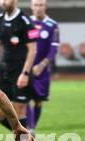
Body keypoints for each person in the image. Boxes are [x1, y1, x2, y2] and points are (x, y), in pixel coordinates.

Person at [0, 0, 38, 141]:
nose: (3, 2)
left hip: (21, 72)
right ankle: (25, 132)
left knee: (19, 110)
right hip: (5, 72)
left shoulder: (25, 21)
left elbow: (32, 49)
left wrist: (25, 73)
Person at [25, 0, 59, 132]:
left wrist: (42, 65)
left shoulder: (52, 25)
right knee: (25, 98)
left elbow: (54, 49)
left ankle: (33, 126)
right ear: (31, 7)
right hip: (27, 68)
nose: (38, 8)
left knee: (38, 101)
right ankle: (31, 128)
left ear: (45, 7)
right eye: (36, 5)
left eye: (41, 5)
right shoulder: (27, 23)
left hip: (43, 70)